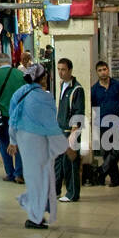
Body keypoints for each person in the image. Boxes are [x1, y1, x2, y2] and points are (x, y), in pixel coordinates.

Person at [8, 67, 70, 229]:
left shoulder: (19, 93)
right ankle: (35, 216)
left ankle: (36, 211)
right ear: (42, 78)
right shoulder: (45, 97)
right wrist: (64, 145)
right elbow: (50, 124)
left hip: (24, 141)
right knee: (41, 180)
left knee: (34, 179)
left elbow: (12, 116)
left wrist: (13, 140)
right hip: (39, 143)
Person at [0, 56, 26, 182]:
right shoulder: (20, 74)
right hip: (19, 114)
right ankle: (19, 174)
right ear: (10, 62)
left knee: (4, 142)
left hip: (2, 115)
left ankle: (10, 172)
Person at [54, 58, 85, 202]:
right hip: (60, 130)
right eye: (59, 69)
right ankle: (55, 190)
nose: (60, 72)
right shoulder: (62, 85)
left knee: (70, 163)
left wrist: (74, 133)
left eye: (63, 69)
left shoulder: (77, 89)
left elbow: (78, 112)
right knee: (58, 163)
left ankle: (72, 194)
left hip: (70, 132)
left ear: (70, 70)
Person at [91, 61, 119, 188]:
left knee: (118, 149)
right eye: (100, 70)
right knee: (106, 153)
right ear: (97, 72)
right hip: (103, 124)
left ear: (108, 70)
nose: (103, 72)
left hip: (118, 123)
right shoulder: (94, 90)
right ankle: (115, 179)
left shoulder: (118, 86)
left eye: (104, 69)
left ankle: (102, 171)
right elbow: (94, 106)